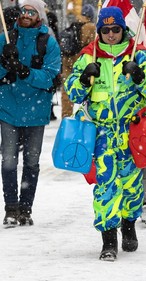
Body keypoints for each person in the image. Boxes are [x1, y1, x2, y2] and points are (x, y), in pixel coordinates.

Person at [64, 6, 146, 261]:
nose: (111, 34)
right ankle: (108, 239)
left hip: (132, 134)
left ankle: (129, 225)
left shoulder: (139, 55)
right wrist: (84, 79)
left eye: (116, 29)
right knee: (106, 187)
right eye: (106, 30)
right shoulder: (89, 56)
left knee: (132, 187)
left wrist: (141, 78)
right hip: (102, 134)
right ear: (100, 31)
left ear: (123, 29)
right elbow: (73, 93)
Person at [0, 0, 61, 227]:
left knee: (31, 162)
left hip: (36, 110)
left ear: (39, 16)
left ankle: (26, 209)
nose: (26, 14)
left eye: (31, 12)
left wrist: (25, 72)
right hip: (8, 107)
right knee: (8, 162)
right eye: (24, 10)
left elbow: (51, 76)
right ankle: (10, 209)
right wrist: (6, 63)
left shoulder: (49, 43)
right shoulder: (5, 39)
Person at [61, 4, 96, 118]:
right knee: (86, 86)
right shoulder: (90, 27)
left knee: (67, 88)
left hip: (67, 59)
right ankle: (86, 115)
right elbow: (92, 45)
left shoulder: (73, 24)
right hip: (80, 59)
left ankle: (66, 116)